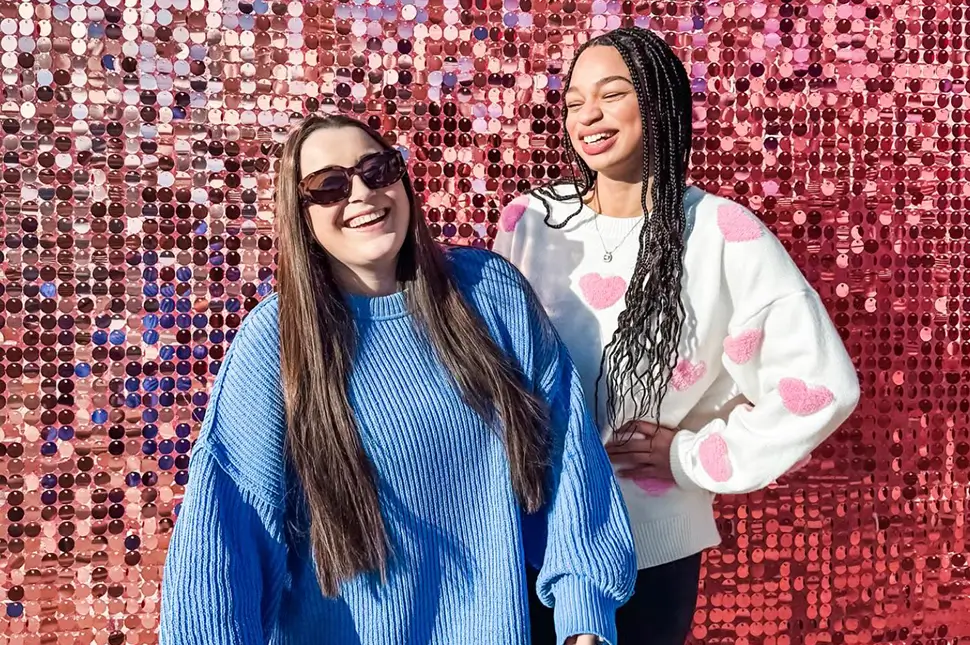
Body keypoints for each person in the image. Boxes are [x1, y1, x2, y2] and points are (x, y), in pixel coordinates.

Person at [158, 114, 636, 645]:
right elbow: (224, 535)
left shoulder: (488, 292)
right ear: (301, 216)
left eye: (377, 169)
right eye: (329, 185)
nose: (362, 192)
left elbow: (569, 456)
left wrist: (585, 616)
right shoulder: (275, 341)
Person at [494, 27, 861, 645]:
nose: (589, 116)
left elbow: (823, 385)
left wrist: (690, 456)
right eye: (575, 100)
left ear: (658, 103)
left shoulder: (719, 232)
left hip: (651, 549)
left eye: (611, 94)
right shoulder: (531, 221)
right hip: (528, 541)